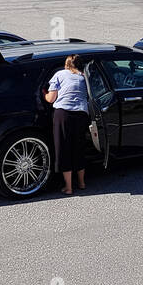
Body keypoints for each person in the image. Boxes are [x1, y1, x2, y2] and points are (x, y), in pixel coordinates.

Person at [44, 54, 90, 193]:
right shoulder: (84, 76)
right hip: (82, 114)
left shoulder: (60, 74)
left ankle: (68, 187)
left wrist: (44, 93)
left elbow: (51, 99)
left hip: (63, 114)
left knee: (64, 149)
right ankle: (82, 183)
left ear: (66, 64)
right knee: (79, 148)